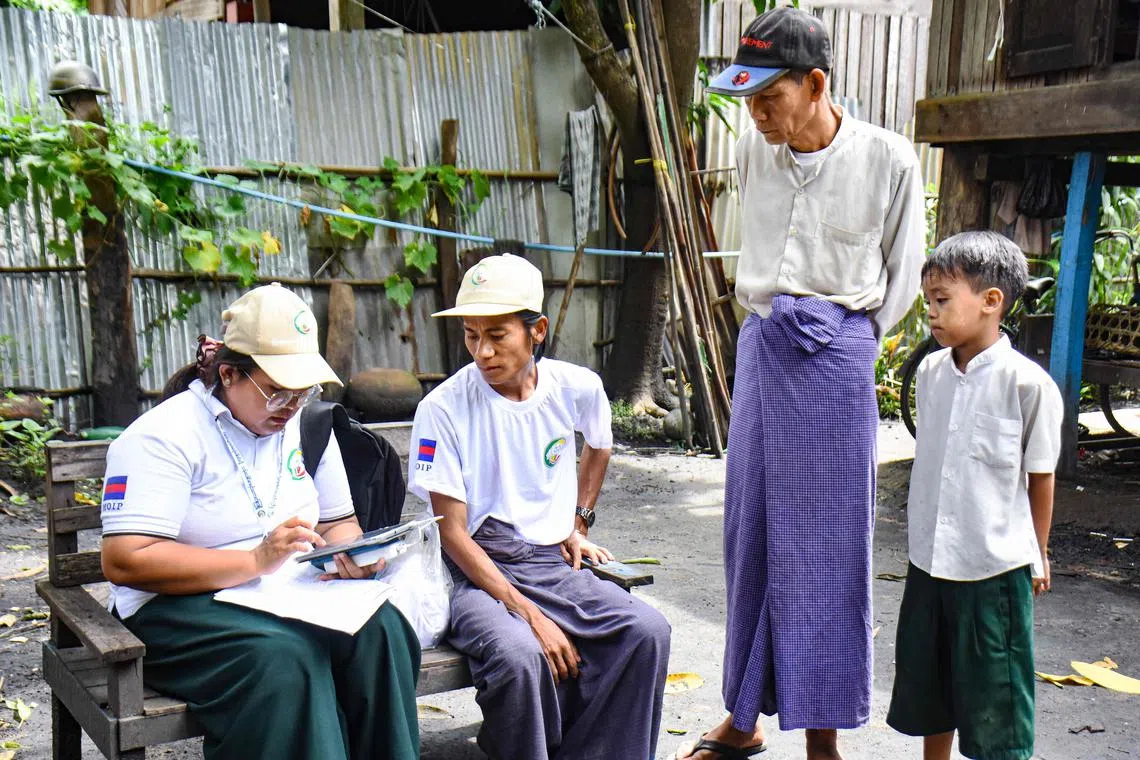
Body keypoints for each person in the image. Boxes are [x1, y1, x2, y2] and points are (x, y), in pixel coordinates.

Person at [684, 7, 927, 760]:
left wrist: (846, 342)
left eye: (769, 98)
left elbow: (903, 281)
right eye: (746, 98)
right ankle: (745, 718)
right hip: (763, 347)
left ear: (816, 84)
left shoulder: (889, 160)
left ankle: (823, 738)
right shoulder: (758, 149)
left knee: (825, 550)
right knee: (750, 534)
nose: (754, 114)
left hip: (838, 357)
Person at [100, 283, 420, 760]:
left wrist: (352, 556)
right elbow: (126, 561)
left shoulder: (305, 426)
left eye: (303, 391)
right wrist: (254, 559)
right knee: (284, 660)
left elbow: (340, 523)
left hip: (283, 593)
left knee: (382, 629)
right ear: (229, 374)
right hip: (176, 606)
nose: (291, 406)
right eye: (276, 392)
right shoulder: (162, 437)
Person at [408, 253, 671, 760]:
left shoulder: (575, 386)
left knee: (645, 633)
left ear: (537, 331)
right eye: (470, 335)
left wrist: (579, 522)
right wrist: (528, 614)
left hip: (549, 560)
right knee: (521, 655)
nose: (481, 352)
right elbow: (453, 535)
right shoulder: (441, 409)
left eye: (497, 335)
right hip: (472, 572)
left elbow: (599, 443)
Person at [886, 231, 1062, 760]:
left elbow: (1040, 474)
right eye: (928, 302)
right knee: (932, 686)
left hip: (993, 569)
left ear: (991, 302)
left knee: (997, 697)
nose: (932, 315)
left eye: (943, 301)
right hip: (930, 561)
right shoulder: (932, 374)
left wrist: (1039, 550)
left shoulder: (1027, 385)